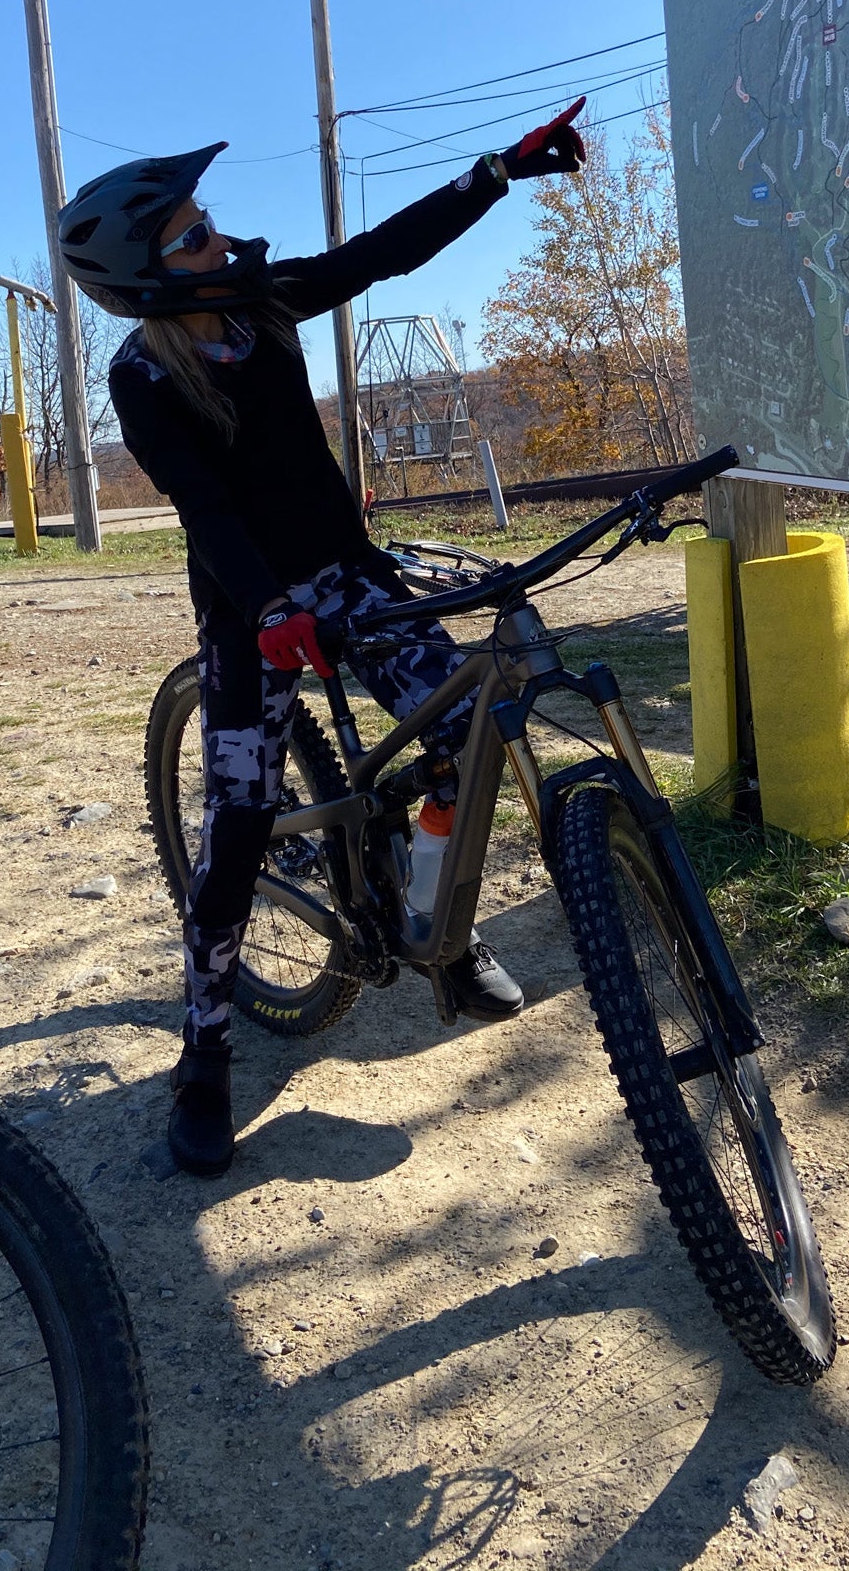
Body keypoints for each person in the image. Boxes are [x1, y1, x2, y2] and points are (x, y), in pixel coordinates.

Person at [58, 101, 587, 1175]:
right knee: (239, 827)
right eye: (195, 234)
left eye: (210, 220)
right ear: (153, 275)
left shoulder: (258, 303)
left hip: (348, 578)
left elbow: (378, 255)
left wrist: (498, 172)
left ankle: (440, 933)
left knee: (466, 733)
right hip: (251, 612)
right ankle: (204, 1055)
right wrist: (263, 609)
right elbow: (203, 507)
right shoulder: (145, 375)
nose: (221, 238)